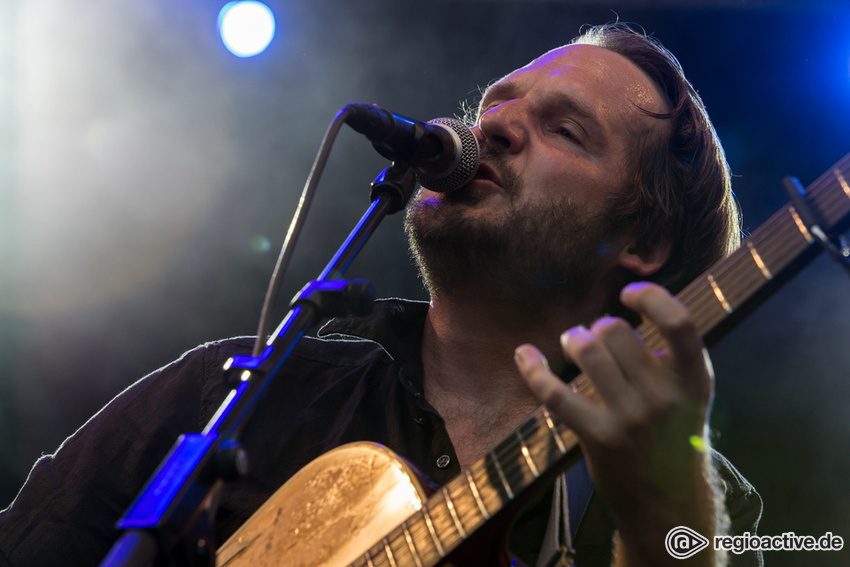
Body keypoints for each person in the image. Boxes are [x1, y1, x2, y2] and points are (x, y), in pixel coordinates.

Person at [0, 23, 762, 567]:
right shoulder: (242, 387)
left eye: (565, 129)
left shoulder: (688, 493)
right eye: (496, 103)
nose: (493, 127)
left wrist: (665, 518)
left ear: (645, 246)